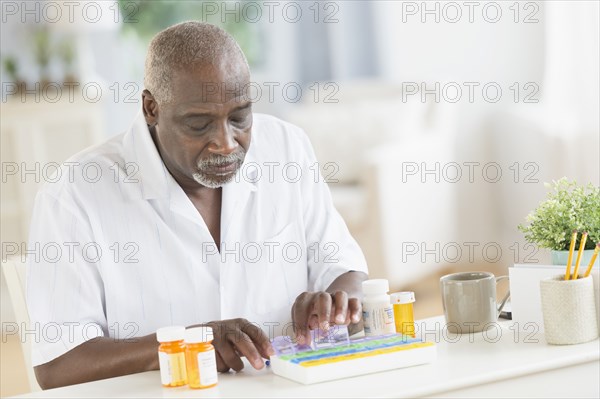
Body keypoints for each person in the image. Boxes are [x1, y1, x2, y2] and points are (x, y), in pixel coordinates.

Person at [26, 21, 368, 389]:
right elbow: (58, 365)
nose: (226, 143)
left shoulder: (286, 149)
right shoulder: (75, 194)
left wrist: (339, 302)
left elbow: (342, 267)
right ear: (151, 108)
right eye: (199, 124)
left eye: (239, 117)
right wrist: (187, 344)